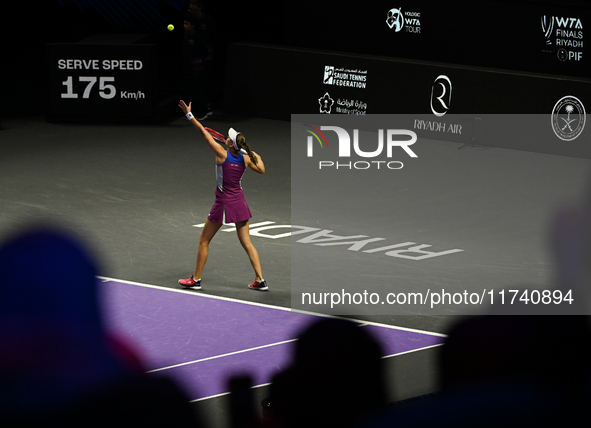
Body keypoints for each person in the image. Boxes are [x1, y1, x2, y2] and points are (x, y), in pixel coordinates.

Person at [177, 100, 268, 291]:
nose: (225, 137)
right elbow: (261, 169)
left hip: (224, 204)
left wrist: (190, 115)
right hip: (240, 203)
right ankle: (260, 280)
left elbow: (203, 132)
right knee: (247, 242)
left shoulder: (221, 153)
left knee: (204, 240)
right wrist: (253, 153)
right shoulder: (245, 158)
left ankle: (196, 279)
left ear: (230, 144)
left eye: (228, 137)